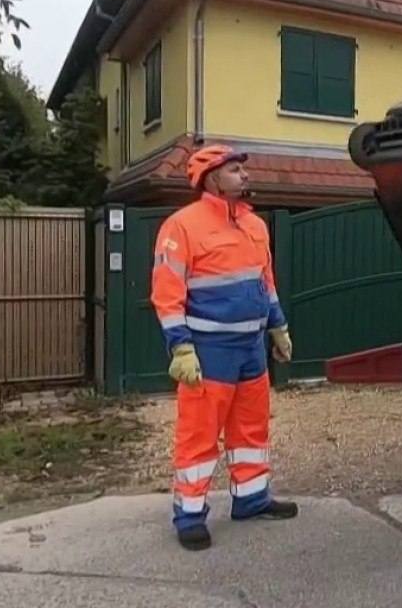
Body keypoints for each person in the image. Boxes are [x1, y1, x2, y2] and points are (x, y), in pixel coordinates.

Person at [150, 143, 297, 551]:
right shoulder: (182, 226)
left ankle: (252, 499)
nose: (244, 175)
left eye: (242, 170)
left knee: (251, 429)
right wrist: (181, 348)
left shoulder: (255, 225)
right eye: (234, 170)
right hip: (209, 348)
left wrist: (278, 327)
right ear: (211, 178)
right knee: (199, 435)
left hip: (251, 347)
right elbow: (166, 293)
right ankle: (190, 515)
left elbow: (265, 282)